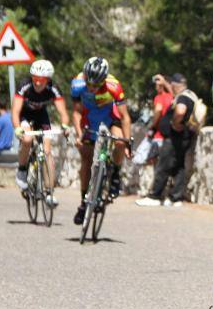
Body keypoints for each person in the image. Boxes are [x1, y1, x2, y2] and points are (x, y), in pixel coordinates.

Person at [71, 57, 132, 224]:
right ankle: (84, 203)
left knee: (119, 142)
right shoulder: (77, 84)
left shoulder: (114, 85)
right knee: (86, 159)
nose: (91, 88)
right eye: (89, 84)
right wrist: (78, 133)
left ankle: (116, 175)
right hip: (89, 120)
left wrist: (127, 142)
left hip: (110, 118)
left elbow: (125, 117)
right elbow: (76, 112)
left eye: (96, 85)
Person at [12, 59, 70, 205]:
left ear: (48, 79)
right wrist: (18, 127)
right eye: (35, 78)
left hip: (41, 116)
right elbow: (15, 111)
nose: (38, 82)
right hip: (24, 115)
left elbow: (63, 112)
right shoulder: (24, 85)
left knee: (47, 151)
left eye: (42, 79)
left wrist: (64, 125)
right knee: (27, 140)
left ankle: (49, 192)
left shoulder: (53, 88)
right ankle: (22, 169)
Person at [143, 73, 197, 207]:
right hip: (185, 136)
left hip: (176, 136)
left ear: (175, 85)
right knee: (179, 167)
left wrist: (174, 123)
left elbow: (180, 111)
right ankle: (176, 198)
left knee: (163, 165)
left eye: (171, 84)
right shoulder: (190, 94)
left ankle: (155, 196)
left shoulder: (183, 97)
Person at [135, 74, 174, 206]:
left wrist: (152, 126)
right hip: (169, 137)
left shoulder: (159, 98)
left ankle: (151, 193)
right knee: (163, 166)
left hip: (158, 137)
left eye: (158, 84)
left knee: (151, 164)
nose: (156, 86)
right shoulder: (172, 97)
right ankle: (162, 194)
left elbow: (157, 112)